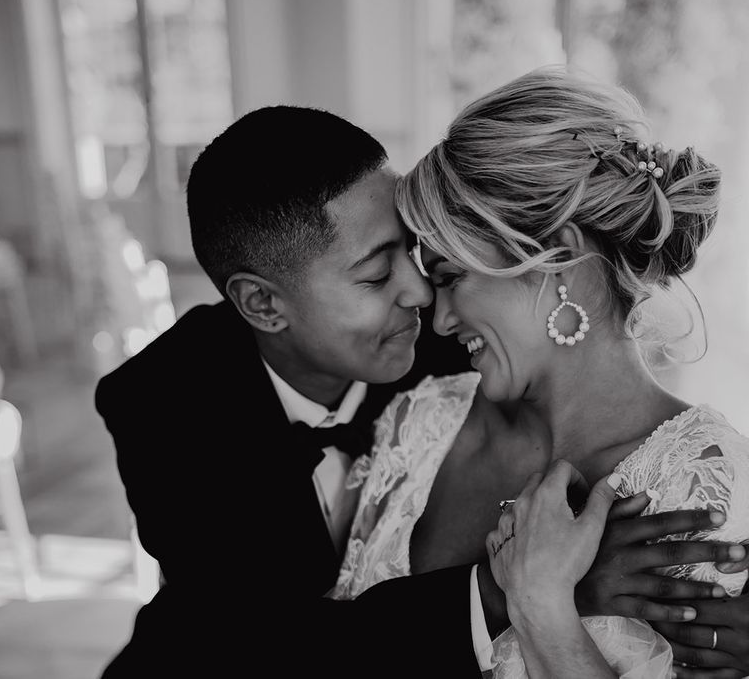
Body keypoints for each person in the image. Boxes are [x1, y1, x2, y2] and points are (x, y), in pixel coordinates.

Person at [95, 104, 742, 678]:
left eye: (426, 259)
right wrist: (523, 593)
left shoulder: (463, 341)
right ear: (263, 304)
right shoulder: (163, 406)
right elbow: (266, 651)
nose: (422, 300)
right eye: (377, 275)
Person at [330, 66, 749, 678]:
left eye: (451, 277)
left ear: (562, 262)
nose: (437, 317)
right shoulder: (423, 419)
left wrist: (540, 605)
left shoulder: (706, 487)